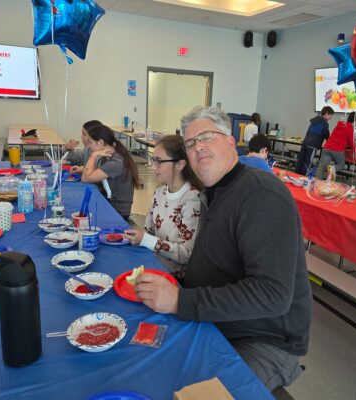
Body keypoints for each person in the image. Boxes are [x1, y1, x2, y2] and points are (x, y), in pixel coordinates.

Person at [134, 106, 312, 392]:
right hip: (216, 320)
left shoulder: (261, 194)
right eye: (190, 143)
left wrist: (181, 300)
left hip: (262, 340)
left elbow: (272, 295)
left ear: (231, 142)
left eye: (206, 137)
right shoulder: (214, 193)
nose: (198, 146)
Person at [123, 135, 203, 279]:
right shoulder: (159, 192)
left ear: (180, 164)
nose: (153, 167)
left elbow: (186, 254)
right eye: (153, 160)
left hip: (174, 278)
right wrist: (138, 237)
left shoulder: (192, 200)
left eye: (159, 161)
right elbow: (148, 231)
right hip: (153, 265)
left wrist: (146, 240)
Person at [81, 125, 140, 220]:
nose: (89, 146)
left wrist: (93, 155)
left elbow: (85, 178)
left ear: (101, 142)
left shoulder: (116, 162)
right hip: (110, 204)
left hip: (117, 212)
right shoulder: (109, 156)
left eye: (91, 142)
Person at [316, 111, 356, 180]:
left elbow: (338, 137)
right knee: (341, 164)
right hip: (337, 150)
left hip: (327, 148)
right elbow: (351, 143)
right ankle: (332, 169)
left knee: (321, 168)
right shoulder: (349, 127)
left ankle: (316, 183)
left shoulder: (339, 125)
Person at [295, 106, 334, 175]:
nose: (331, 117)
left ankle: (296, 175)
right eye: (330, 115)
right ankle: (303, 177)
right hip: (312, 145)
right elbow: (326, 135)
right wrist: (331, 143)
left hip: (305, 143)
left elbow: (308, 132)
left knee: (301, 160)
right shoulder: (324, 123)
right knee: (307, 162)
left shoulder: (314, 120)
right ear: (326, 114)